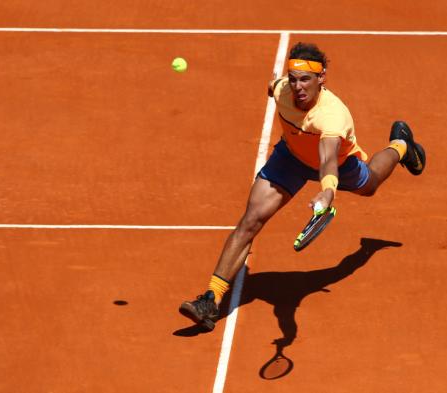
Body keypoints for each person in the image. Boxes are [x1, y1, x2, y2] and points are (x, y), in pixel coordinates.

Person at [179, 42, 426, 331]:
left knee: (369, 184)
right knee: (250, 221)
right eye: (294, 79)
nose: (298, 87)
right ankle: (210, 300)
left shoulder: (332, 115)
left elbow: (328, 159)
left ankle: (401, 145)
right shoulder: (282, 88)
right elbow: (272, 87)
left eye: (306, 79)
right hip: (290, 159)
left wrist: (328, 190)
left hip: (337, 163)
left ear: (322, 78)